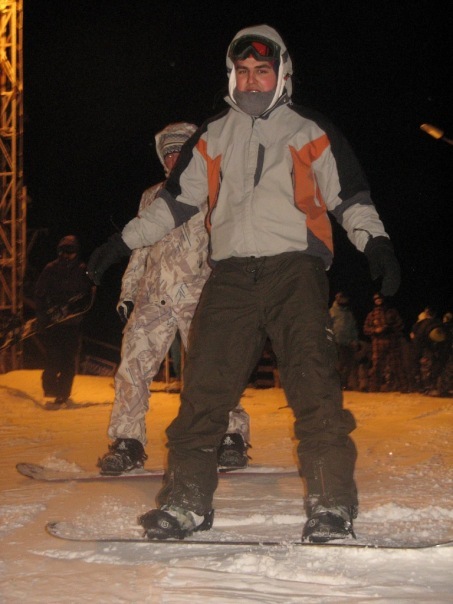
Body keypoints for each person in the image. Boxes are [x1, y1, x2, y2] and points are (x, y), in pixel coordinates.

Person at [87, 25, 401, 542]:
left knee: (313, 386)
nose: (253, 81)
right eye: (244, 71)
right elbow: (174, 202)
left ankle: (330, 503)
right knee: (204, 390)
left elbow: (349, 197)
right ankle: (186, 501)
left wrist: (376, 243)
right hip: (230, 275)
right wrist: (121, 243)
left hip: (294, 270)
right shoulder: (213, 134)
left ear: (283, 73)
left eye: (263, 70)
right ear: (232, 75)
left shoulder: (310, 130)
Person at [98, 122, 251, 475]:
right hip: (153, 297)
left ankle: (230, 436)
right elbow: (140, 247)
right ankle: (128, 442)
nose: (173, 159)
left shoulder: (216, 189)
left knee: (213, 367)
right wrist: (129, 292)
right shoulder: (151, 196)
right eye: (167, 154)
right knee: (132, 368)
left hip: (199, 294)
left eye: (180, 152)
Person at [34, 235, 93, 408]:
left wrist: (79, 312)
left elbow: (88, 296)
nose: (67, 255)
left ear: (76, 252)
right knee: (53, 359)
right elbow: (39, 293)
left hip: (72, 323)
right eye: (64, 251)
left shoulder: (82, 270)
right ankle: (52, 389)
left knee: (68, 361)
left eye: (70, 251)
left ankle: (63, 394)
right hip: (54, 323)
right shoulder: (51, 269)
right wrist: (43, 316)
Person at [363, 293, 408, 392]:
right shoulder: (371, 315)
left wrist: (390, 328)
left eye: (380, 298)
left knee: (396, 364)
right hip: (378, 343)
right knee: (377, 365)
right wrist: (375, 330)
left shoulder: (391, 312)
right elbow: (366, 329)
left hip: (392, 341)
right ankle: (374, 387)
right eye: (376, 299)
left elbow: (400, 325)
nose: (378, 300)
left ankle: (404, 386)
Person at [329, 292, 359, 389]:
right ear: (337, 298)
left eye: (344, 298)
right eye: (340, 297)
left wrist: (355, 340)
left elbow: (353, 328)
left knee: (348, 364)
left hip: (348, 343)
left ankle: (344, 383)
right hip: (336, 342)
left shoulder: (348, 313)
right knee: (339, 364)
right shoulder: (331, 312)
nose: (343, 300)